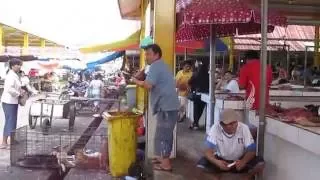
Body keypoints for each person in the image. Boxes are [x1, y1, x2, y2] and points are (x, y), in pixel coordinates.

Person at [132, 44, 179, 172]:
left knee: (163, 135)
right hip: (168, 106)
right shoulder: (160, 65)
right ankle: (162, 158)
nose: (146, 57)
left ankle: (166, 164)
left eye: (148, 54)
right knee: (163, 134)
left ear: (156, 55)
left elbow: (148, 85)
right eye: (146, 54)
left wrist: (136, 81)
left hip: (166, 107)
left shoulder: (156, 66)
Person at [197, 109, 264, 180]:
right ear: (221, 124)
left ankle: (245, 178)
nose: (232, 126)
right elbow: (207, 150)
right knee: (200, 166)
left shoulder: (244, 128)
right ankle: (216, 178)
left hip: (238, 161)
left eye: (234, 123)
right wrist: (216, 162)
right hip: (221, 160)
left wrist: (243, 161)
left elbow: (252, 150)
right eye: (229, 124)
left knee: (260, 163)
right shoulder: (215, 128)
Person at [0, 59, 23, 149]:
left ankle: (9, 141)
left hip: (12, 101)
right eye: (18, 65)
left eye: (20, 65)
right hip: (9, 101)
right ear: (12, 66)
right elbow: (9, 89)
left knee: (11, 121)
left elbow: (15, 87)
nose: (19, 66)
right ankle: (6, 142)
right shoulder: (10, 76)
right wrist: (19, 94)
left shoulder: (15, 75)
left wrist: (20, 91)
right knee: (10, 121)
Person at [188, 60, 209, 130]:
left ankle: (195, 123)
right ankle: (195, 123)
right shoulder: (208, 76)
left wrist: (193, 88)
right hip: (205, 95)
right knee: (200, 110)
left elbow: (189, 82)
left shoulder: (196, 74)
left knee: (196, 109)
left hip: (196, 94)